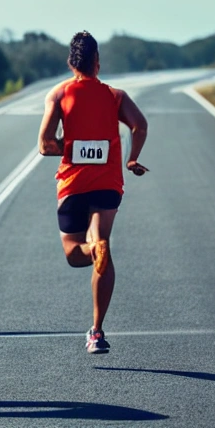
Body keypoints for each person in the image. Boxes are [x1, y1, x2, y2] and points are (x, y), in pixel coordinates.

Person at [38, 31, 148, 354]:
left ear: (71, 62)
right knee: (102, 241)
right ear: (97, 63)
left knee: (75, 254)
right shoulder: (115, 96)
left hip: (73, 184)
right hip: (108, 184)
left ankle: (92, 251)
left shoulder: (58, 95)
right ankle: (97, 331)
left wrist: (69, 148)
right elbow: (140, 125)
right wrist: (131, 158)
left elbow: (44, 144)